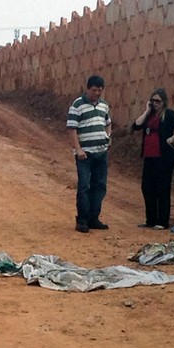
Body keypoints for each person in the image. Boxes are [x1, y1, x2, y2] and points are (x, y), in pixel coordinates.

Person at [132, 88, 174, 230]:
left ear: (164, 102)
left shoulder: (168, 115)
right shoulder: (149, 116)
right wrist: (146, 111)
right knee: (147, 187)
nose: (155, 104)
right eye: (153, 101)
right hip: (149, 156)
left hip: (164, 158)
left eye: (158, 101)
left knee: (162, 188)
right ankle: (150, 219)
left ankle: (162, 221)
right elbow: (136, 126)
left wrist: (172, 139)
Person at [67, 75, 112, 233]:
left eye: (100, 90)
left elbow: (108, 123)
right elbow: (72, 128)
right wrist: (78, 149)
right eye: (94, 90)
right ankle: (82, 220)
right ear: (88, 89)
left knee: (99, 186)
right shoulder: (77, 105)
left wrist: (107, 137)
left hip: (101, 152)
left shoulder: (103, 106)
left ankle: (94, 218)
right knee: (84, 186)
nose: (97, 93)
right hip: (85, 154)